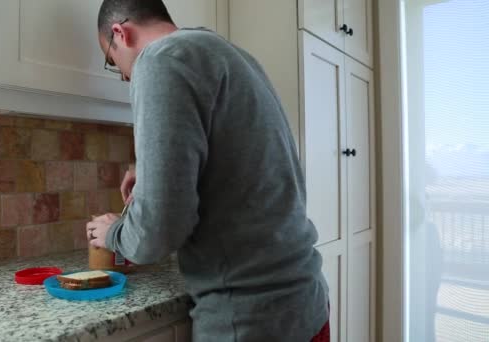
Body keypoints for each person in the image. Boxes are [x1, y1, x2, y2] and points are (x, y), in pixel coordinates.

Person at [86, 1, 330, 340]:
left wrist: (114, 233)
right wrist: (151, 167)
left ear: (120, 33)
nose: (126, 76)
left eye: (114, 63)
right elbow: (233, 162)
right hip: (306, 303)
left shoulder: (158, 61)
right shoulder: (227, 54)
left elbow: (158, 232)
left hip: (250, 320)